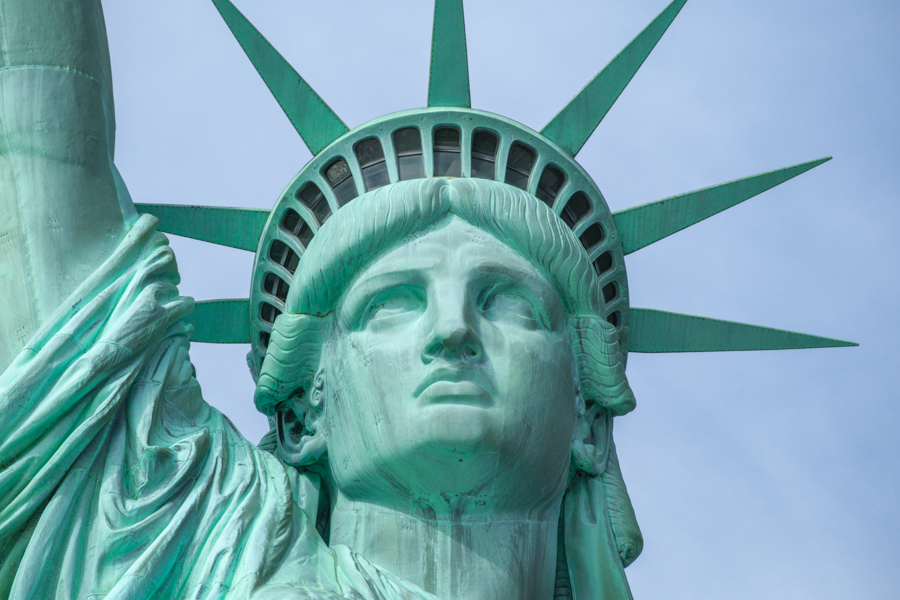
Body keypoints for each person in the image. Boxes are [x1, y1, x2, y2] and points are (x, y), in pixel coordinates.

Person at [0, 1, 641, 599]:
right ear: (306, 415)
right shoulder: (177, 539)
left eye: (511, 305)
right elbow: (35, 151)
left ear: (587, 418)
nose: (454, 328)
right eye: (391, 304)